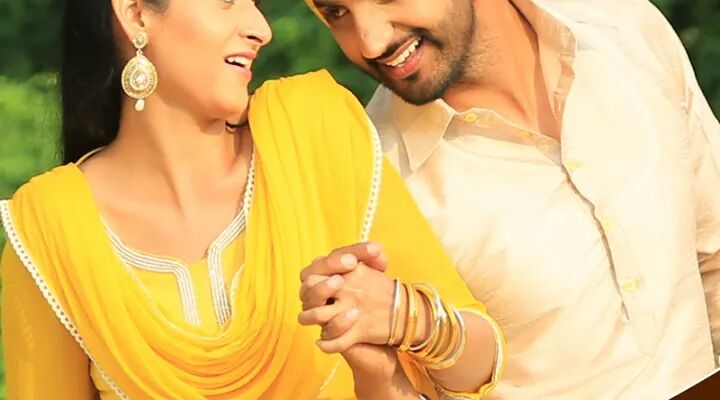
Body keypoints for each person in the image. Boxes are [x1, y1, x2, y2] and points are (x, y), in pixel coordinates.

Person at [0, 0, 508, 399]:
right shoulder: (49, 229)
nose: (261, 28)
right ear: (135, 13)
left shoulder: (311, 131)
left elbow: (480, 363)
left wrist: (406, 318)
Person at [303, 0, 720, 398]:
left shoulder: (623, 30)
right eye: (336, 11)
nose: (371, 42)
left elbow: (713, 256)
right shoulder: (378, 182)